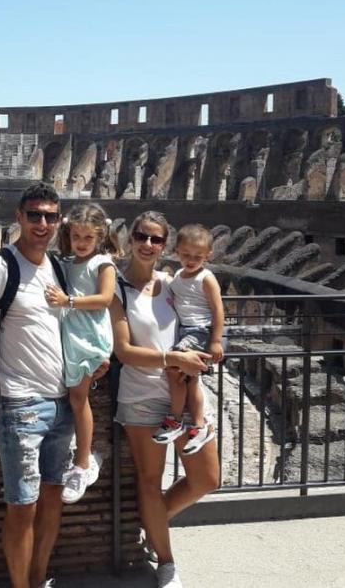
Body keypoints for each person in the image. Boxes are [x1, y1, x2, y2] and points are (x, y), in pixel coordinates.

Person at [0, 183, 108, 588]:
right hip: (19, 406)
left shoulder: (57, 268)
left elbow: (77, 325)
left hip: (62, 404)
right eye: (35, 215)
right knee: (22, 508)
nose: (42, 223)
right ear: (19, 218)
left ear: (58, 222)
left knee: (52, 502)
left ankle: (39, 579)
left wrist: (96, 359)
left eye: (50, 216)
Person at [109, 211, 221, 588]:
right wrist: (175, 358)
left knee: (207, 478)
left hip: (183, 394)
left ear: (166, 245)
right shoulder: (117, 290)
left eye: (156, 239)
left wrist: (209, 347)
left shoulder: (172, 284)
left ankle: (151, 520)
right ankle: (166, 562)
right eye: (142, 236)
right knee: (149, 481)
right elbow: (123, 351)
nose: (148, 245)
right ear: (130, 239)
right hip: (141, 396)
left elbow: (203, 318)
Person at [44, 203, 118, 504]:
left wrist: (68, 301)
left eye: (88, 237)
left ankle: (84, 461)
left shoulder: (104, 263)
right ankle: (79, 453)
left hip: (89, 338)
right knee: (70, 397)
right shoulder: (67, 262)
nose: (82, 242)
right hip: (71, 337)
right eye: (76, 236)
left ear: (100, 237)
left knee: (78, 399)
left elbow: (104, 299)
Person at [152, 224, 225, 456]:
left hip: (199, 331)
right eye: (186, 255)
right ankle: (198, 424)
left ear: (208, 256)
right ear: (177, 252)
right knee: (190, 379)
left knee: (174, 367)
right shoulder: (177, 278)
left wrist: (215, 341)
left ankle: (175, 419)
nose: (191, 260)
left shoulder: (206, 278)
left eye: (197, 257)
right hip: (184, 331)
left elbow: (218, 310)